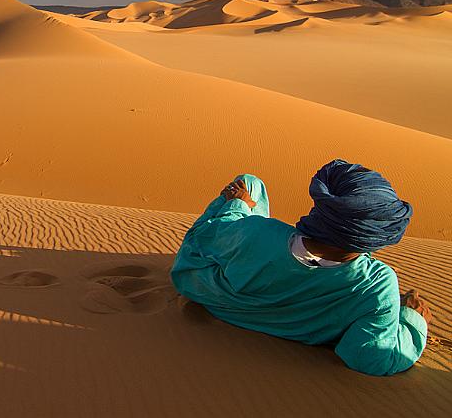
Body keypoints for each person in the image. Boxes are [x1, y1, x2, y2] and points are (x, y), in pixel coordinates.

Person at [170, 159, 431, 376]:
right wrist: (412, 322)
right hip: (291, 324)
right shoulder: (376, 284)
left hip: (220, 301)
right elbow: (369, 356)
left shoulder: (260, 233)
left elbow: (203, 237)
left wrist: (239, 205)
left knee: (249, 183)